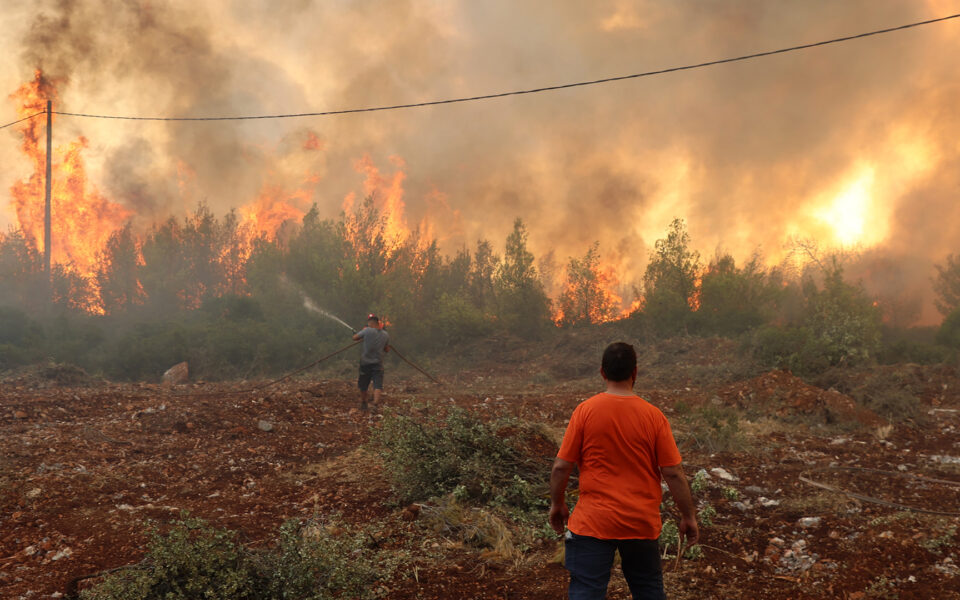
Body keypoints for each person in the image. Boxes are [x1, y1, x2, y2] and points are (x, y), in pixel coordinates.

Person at [549, 342, 698, 600]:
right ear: (635, 373)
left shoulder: (585, 411)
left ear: (602, 373)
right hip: (640, 523)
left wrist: (557, 504)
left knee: (586, 592)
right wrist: (688, 516)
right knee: (649, 590)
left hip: (592, 523)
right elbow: (672, 473)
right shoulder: (654, 416)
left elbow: (562, 466)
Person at [352, 313, 390, 411]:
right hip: (378, 363)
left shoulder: (367, 330)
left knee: (363, 384)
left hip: (365, 363)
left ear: (371, 323)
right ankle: (375, 404)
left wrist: (361, 334)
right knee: (378, 384)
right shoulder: (385, 334)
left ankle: (364, 403)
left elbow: (355, 338)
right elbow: (386, 349)